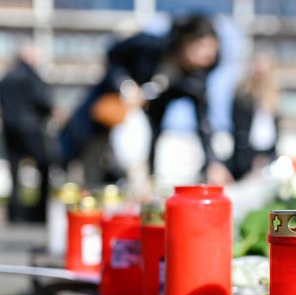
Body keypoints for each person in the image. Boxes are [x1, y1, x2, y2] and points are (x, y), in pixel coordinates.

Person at [59, 13, 233, 188]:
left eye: (212, 49)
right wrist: (127, 88)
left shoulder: (195, 80)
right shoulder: (149, 46)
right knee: (85, 165)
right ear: (184, 42)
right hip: (104, 113)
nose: (208, 55)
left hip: (142, 133)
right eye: (202, 46)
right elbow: (114, 54)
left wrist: (213, 163)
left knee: (133, 168)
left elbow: (203, 123)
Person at [0, 40, 54, 222]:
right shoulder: (32, 76)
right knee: (43, 166)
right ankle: (39, 213)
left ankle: (16, 213)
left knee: (15, 170)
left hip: (10, 127)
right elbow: (44, 102)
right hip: (32, 128)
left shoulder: (7, 77)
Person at [229, 53, 280, 180]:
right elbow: (239, 129)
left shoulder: (273, 97)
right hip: (246, 155)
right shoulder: (243, 96)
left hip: (267, 155)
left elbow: (272, 132)